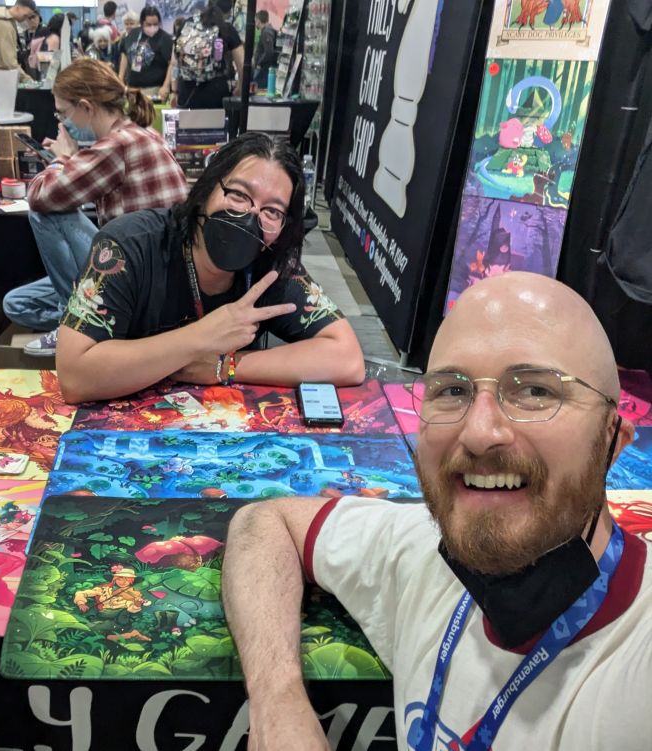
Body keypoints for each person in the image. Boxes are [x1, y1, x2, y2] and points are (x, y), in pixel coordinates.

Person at [222, 271, 652, 750]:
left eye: (536, 391)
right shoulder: (426, 556)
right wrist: (278, 704)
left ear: (613, 441)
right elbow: (265, 523)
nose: (479, 431)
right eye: (453, 390)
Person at [56, 133, 364, 403]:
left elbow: (348, 359)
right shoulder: (127, 246)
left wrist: (226, 366)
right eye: (239, 195)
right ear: (206, 191)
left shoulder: (271, 265)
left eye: (272, 211)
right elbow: (74, 376)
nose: (249, 216)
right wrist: (201, 338)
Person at [2, 57, 187, 357]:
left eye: (64, 113)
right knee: (16, 303)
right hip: (151, 272)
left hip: (138, 279)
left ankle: (77, 323)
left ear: (86, 107)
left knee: (45, 211)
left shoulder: (117, 145)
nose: (63, 124)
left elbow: (41, 196)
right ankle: (98, 320)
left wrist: (63, 158)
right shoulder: (141, 134)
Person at [172, 0, 244, 109]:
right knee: (216, 125)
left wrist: (174, 90)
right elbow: (242, 64)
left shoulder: (186, 25)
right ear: (229, 11)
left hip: (187, 91)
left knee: (186, 125)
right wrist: (240, 88)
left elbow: (175, 61)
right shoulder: (226, 29)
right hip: (215, 93)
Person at [118, 6, 173, 101]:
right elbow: (125, 54)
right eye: (148, 24)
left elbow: (172, 64)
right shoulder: (133, 34)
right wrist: (120, 78)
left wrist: (166, 86)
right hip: (132, 88)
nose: (152, 27)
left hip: (154, 89)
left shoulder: (165, 38)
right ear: (142, 22)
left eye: (155, 24)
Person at [0, 0, 37, 84]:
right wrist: (27, 79)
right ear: (17, 8)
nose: (25, 19)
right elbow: (9, 60)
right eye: (25, 15)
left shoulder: (2, 20)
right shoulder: (4, 24)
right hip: (2, 76)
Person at [252, 10, 279, 90]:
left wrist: (259, 63)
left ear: (258, 20)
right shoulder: (267, 31)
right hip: (264, 68)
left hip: (264, 68)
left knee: (258, 88)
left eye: (255, 20)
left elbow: (268, 52)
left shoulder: (266, 32)